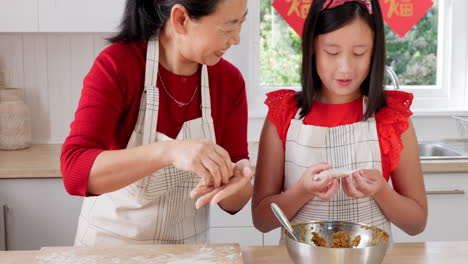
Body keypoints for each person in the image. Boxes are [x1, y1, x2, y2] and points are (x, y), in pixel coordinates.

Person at [61, 0, 253, 246]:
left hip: (187, 254)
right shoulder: (119, 64)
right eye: (228, 27)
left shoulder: (229, 81)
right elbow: (75, 171)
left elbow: (235, 203)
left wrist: (239, 185)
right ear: (181, 19)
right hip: (109, 252)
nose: (236, 39)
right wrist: (169, 152)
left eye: (242, 24)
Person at [252, 0, 427, 243]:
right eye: (332, 52)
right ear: (312, 46)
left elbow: (417, 223)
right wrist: (302, 191)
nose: (345, 68)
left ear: (375, 50)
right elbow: (261, 220)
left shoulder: (391, 118)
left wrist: (381, 191)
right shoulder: (283, 115)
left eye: (359, 53)